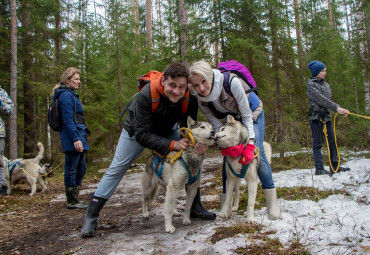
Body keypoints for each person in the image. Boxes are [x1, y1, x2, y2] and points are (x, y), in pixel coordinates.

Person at [81, 62, 216, 238]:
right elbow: (142, 135)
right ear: (163, 81)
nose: (176, 91)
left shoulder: (190, 98)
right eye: (172, 85)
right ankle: (91, 216)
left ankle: (195, 207)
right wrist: (172, 145)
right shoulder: (146, 95)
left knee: (190, 161)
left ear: (187, 86)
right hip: (137, 132)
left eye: (182, 87)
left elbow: (187, 128)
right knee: (117, 168)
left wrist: (195, 142)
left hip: (168, 130)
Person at [189, 60, 281, 220]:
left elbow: (246, 115)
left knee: (258, 154)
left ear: (210, 76)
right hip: (232, 119)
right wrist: (224, 143)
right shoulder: (201, 99)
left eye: (203, 81)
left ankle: (272, 205)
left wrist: (250, 142)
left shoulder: (232, 83)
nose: (201, 88)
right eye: (196, 85)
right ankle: (227, 207)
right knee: (228, 157)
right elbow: (217, 124)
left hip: (252, 113)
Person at [52, 67, 90, 209]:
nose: (79, 82)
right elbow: (68, 120)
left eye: (79, 79)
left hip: (79, 133)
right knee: (72, 167)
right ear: (67, 80)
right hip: (72, 135)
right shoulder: (66, 96)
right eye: (76, 79)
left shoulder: (71, 95)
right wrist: (75, 139)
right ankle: (72, 200)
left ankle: (75, 196)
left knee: (81, 167)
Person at [306, 60, 351, 176]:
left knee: (332, 140)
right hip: (316, 116)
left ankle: (334, 165)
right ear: (316, 72)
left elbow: (328, 101)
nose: (325, 73)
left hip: (326, 116)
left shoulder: (326, 85)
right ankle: (319, 168)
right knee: (317, 143)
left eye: (325, 71)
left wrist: (338, 109)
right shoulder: (311, 85)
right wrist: (337, 108)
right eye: (322, 71)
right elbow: (321, 100)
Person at [0, 86, 14, 197]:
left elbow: (10, 108)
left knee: (0, 161)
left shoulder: (1, 92)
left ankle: (2, 187)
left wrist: (1, 105)